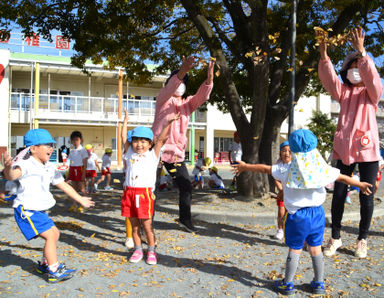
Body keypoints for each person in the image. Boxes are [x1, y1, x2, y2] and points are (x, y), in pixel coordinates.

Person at [232, 129, 372, 295]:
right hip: (318, 215)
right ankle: (319, 283)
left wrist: (246, 166)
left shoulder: (287, 169)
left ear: (293, 149)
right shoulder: (321, 169)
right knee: (315, 248)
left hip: (297, 216)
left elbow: (265, 169)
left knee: (295, 249)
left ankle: (287, 283)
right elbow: (341, 177)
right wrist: (361, 185)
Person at [317, 27, 384, 258]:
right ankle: (335, 237)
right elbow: (329, 80)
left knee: (367, 195)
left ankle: (362, 239)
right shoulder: (343, 93)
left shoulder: (371, 95)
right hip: (343, 149)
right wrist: (324, 57)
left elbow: (374, 81)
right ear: (347, 71)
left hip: (368, 151)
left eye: (360, 67)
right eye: (353, 66)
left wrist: (362, 53)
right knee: (338, 194)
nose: (356, 70)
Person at [2, 129, 94, 283]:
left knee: (55, 233)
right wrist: (7, 169)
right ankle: (54, 270)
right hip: (27, 209)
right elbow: (12, 175)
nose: (51, 148)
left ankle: (45, 264)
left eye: (52, 145)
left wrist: (80, 199)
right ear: (33, 149)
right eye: (47, 145)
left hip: (39, 210)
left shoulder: (49, 167)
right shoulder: (26, 164)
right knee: (51, 236)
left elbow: (63, 185)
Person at [152, 56, 214, 232]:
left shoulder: (187, 104)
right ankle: (146, 221)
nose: (181, 84)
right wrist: (182, 71)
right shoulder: (162, 98)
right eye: (179, 80)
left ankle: (184, 219)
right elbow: (172, 85)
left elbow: (201, 97)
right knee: (151, 188)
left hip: (174, 156)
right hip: (156, 151)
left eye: (184, 81)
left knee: (186, 186)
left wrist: (209, 80)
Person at [121, 108, 180, 265]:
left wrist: (168, 122)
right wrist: (125, 121)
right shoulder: (129, 153)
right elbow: (122, 137)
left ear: (149, 143)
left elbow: (161, 139)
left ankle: (152, 251)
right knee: (134, 227)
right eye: (135, 140)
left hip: (144, 194)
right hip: (129, 193)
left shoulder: (152, 155)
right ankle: (138, 249)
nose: (139, 144)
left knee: (147, 225)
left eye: (143, 141)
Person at [274, 141, 291, 240]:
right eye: (284, 151)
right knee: (281, 211)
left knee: (291, 213)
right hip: (282, 193)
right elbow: (276, 179)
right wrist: (281, 190)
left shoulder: (294, 164)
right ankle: (280, 230)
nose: (287, 153)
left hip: (292, 194)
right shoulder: (278, 164)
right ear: (280, 152)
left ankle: (290, 230)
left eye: (289, 151)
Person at [67, 131, 88, 213]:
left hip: (80, 169)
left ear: (81, 140)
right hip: (73, 169)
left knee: (82, 189)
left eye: (77, 140)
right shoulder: (72, 151)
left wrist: (84, 174)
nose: (75, 142)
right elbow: (70, 163)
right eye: (73, 140)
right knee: (74, 189)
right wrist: (69, 174)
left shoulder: (83, 150)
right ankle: (74, 204)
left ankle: (85, 204)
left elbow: (85, 163)